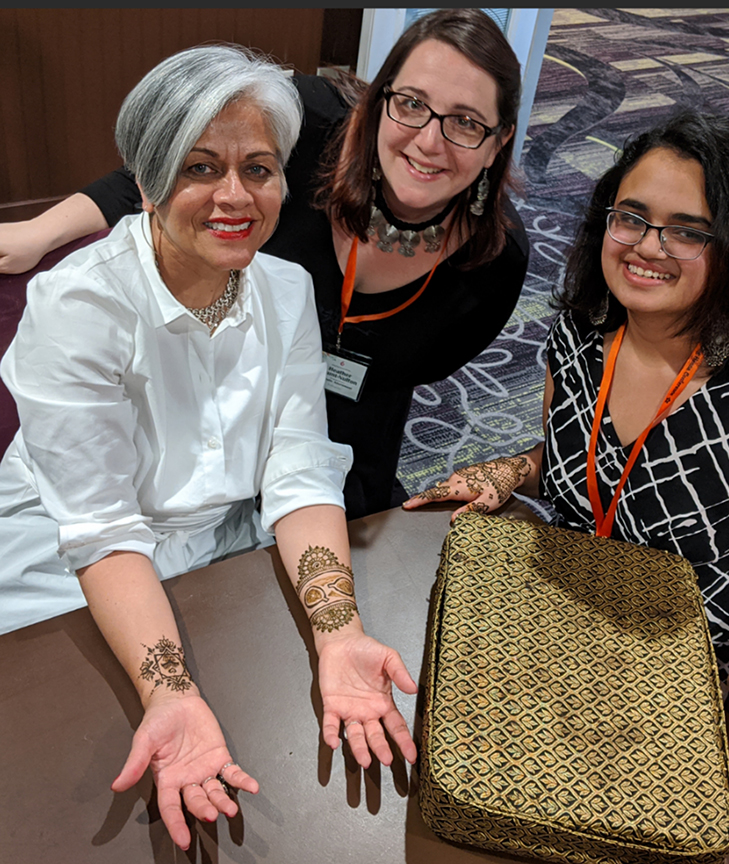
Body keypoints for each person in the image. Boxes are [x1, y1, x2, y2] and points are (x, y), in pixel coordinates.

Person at [0, 46, 418, 850]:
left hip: (218, 537)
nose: (235, 196)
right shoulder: (76, 305)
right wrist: (171, 693)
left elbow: (296, 473)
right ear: (148, 183)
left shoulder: (285, 288)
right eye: (200, 167)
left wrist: (341, 633)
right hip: (64, 554)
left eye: (258, 168)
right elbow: (101, 528)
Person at [405, 110, 729, 767]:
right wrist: (512, 470)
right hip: (587, 620)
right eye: (632, 217)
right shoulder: (584, 334)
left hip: (727, 669)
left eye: (689, 232)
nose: (648, 246)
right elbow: (583, 464)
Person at [0, 9, 529, 519]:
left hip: (349, 431)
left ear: (499, 140)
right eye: (411, 103)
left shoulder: (495, 262)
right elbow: (161, 172)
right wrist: (38, 232)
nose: (429, 140)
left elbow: (417, 370)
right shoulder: (303, 121)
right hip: (219, 381)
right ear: (378, 98)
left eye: (465, 122)